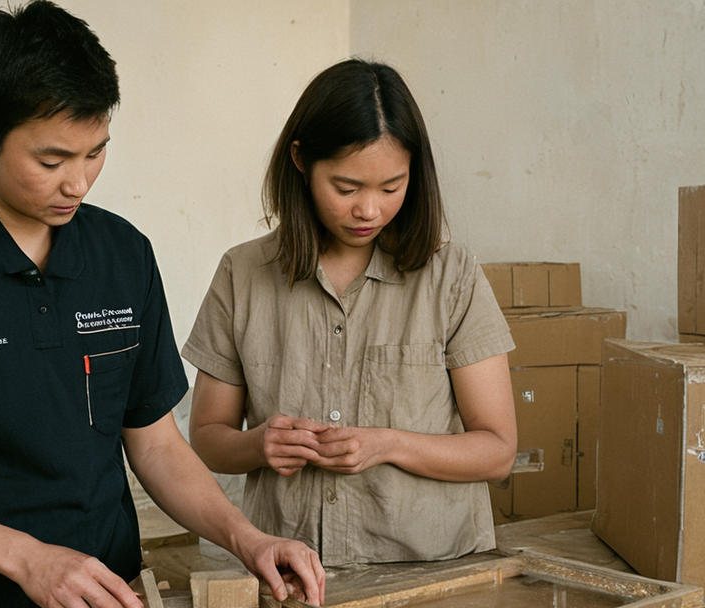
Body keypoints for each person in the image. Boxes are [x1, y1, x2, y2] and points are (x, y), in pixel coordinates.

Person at [0, 0, 323, 608]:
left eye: (96, 153)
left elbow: (156, 443)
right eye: (52, 161)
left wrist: (246, 538)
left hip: (107, 607)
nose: (78, 183)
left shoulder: (122, 254)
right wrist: (27, 559)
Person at [181, 58, 518, 567]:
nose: (369, 210)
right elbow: (208, 438)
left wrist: (387, 445)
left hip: (434, 571)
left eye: (391, 188)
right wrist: (259, 445)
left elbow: (497, 451)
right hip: (291, 572)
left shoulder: (452, 276)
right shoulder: (244, 274)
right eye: (346, 188)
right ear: (301, 159)